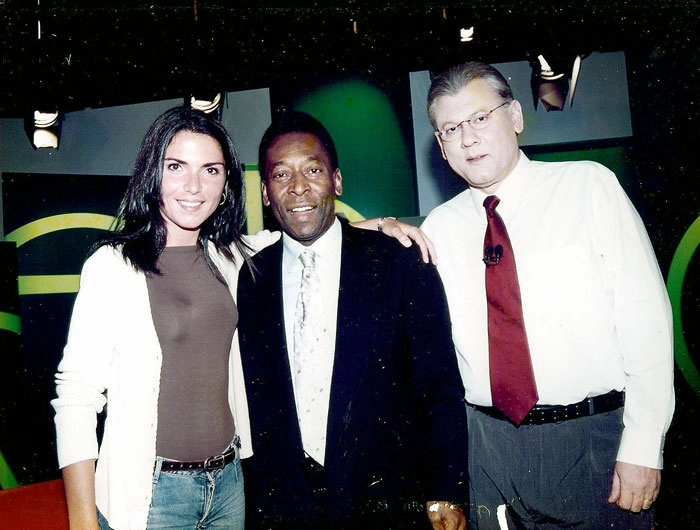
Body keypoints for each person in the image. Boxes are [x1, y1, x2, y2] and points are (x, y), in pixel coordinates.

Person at [51, 105, 435, 530]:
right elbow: (76, 397)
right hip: (152, 494)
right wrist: (82, 520)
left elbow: (306, 231)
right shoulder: (112, 266)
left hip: (231, 487)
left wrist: (380, 224)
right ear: (151, 172)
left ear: (226, 183)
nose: (194, 186)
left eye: (211, 170)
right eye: (176, 166)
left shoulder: (232, 256)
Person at [421, 60, 675, 530]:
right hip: (487, 453)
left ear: (515, 116)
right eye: (451, 128)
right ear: (440, 145)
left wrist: (643, 446)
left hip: (594, 445)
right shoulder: (437, 229)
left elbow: (647, 324)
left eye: (480, 118)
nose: (468, 138)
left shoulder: (588, 187)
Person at [237, 110, 469, 530]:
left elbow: (439, 386)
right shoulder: (252, 278)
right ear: (266, 194)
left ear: (337, 181)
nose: (299, 187)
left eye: (313, 169)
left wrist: (447, 488)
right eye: (281, 175)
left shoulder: (399, 261)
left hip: (389, 504)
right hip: (290, 510)